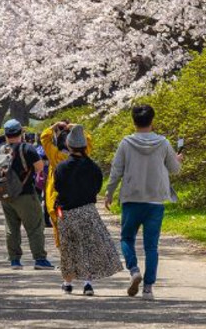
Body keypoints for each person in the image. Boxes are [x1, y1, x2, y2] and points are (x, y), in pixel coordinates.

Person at [104, 104, 182, 301]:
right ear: (152, 121)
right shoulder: (163, 143)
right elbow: (175, 169)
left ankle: (134, 270)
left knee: (126, 238)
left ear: (133, 121)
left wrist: (109, 192)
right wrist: (178, 159)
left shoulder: (126, 143)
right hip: (155, 200)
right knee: (151, 246)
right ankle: (148, 288)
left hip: (131, 198)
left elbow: (116, 170)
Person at [53, 124, 123, 296]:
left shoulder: (61, 167)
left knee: (68, 248)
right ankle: (87, 283)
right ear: (85, 146)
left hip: (67, 212)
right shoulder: (94, 167)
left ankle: (67, 283)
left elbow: (57, 187)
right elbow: (97, 188)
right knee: (88, 247)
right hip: (88, 211)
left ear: (69, 146)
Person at [0, 119, 54, 269]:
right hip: (25, 193)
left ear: (6, 134)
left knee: (11, 228)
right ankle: (40, 259)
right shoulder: (28, 149)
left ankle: (15, 260)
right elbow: (39, 168)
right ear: (21, 133)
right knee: (35, 226)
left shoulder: (2, 149)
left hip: (5, 194)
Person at [41, 120, 94, 246]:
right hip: (79, 198)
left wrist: (53, 127)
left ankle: (64, 256)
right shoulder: (83, 156)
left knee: (59, 228)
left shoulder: (55, 156)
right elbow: (89, 142)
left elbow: (44, 138)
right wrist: (77, 128)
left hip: (57, 201)